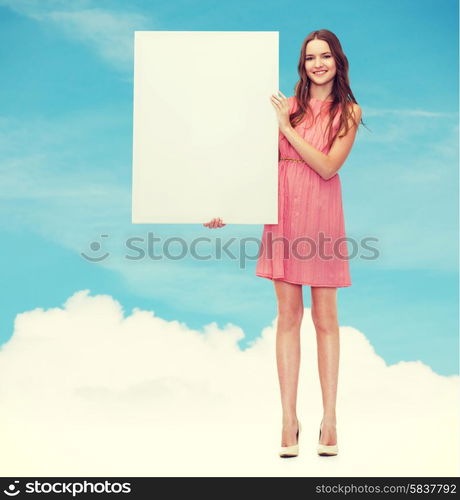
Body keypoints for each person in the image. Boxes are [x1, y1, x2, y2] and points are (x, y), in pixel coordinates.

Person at [203, 29, 363, 458]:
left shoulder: (348, 111)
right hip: (284, 212)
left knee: (326, 318)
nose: (317, 64)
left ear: (337, 60)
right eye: (310, 57)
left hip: (323, 215)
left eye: (325, 55)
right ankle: (288, 420)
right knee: (287, 316)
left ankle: (329, 419)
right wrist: (226, 208)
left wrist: (284, 130)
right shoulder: (285, 107)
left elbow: (328, 166)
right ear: (302, 64)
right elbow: (257, 165)